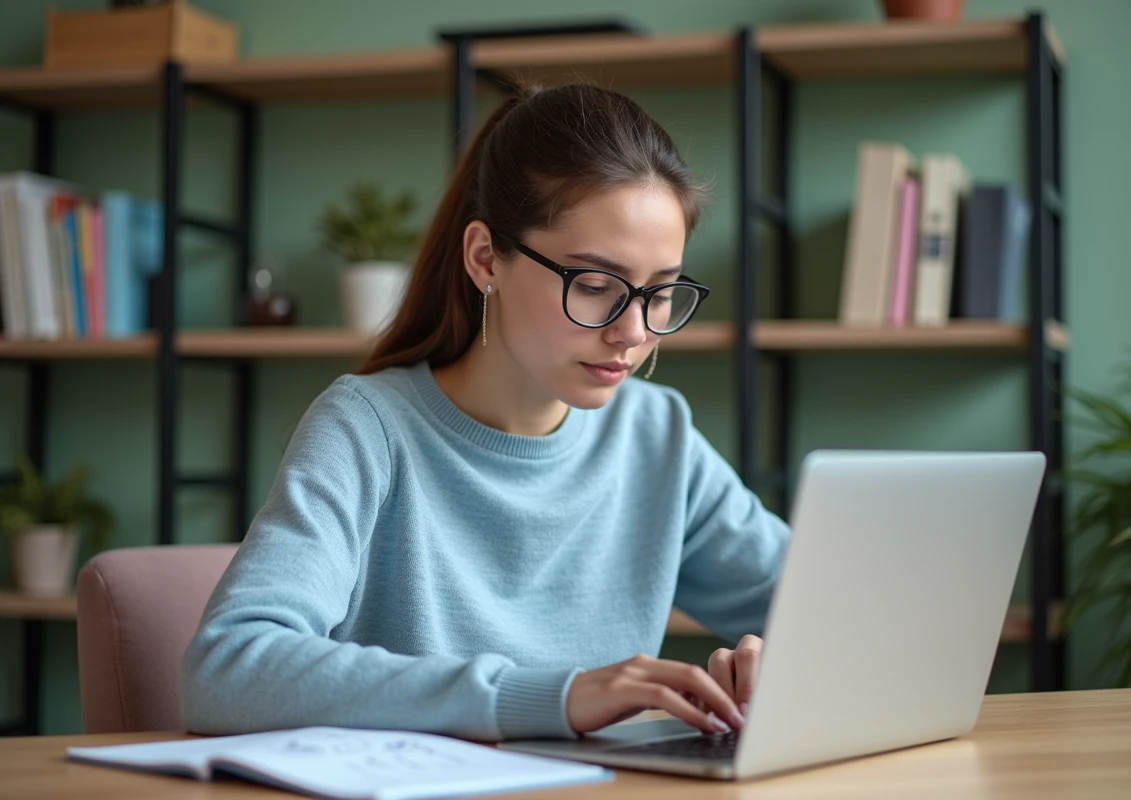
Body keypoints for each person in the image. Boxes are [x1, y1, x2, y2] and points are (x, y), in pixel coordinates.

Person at [180, 80, 790, 742]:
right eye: (594, 286)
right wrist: (542, 697)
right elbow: (226, 671)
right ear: (484, 258)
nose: (632, 332)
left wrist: (774, 663)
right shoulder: (368, 429)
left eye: (661, 292)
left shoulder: (656, 435)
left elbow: (842, 611)